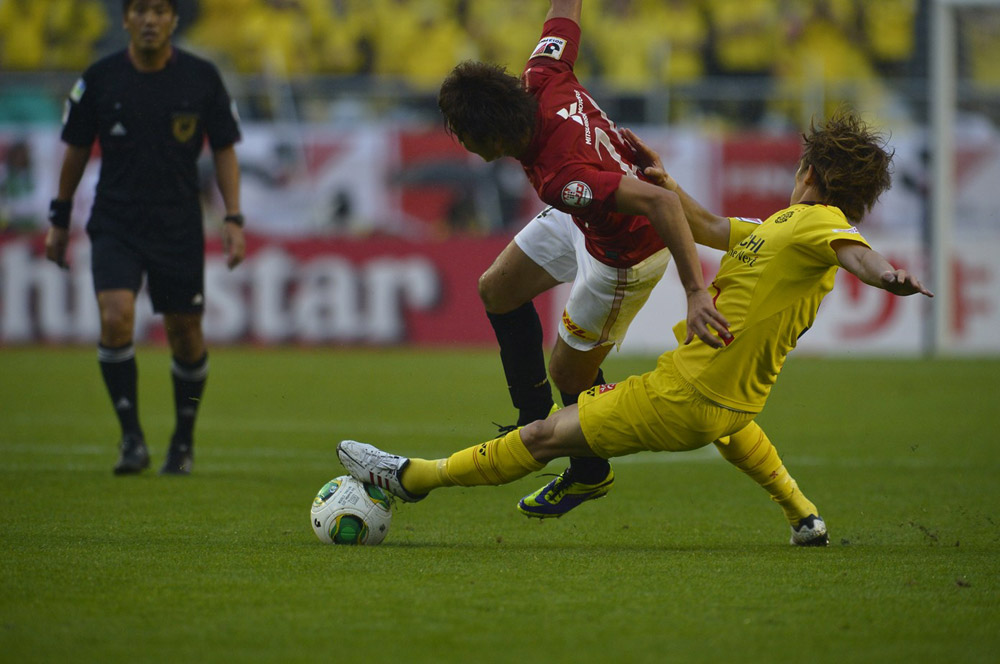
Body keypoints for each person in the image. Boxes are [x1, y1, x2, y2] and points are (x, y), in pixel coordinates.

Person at [337, 109, 934, 546]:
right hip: (728, 403)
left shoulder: (818, 223)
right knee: (731, 426)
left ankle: (410, 478)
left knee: (544, 436)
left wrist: (886, 275)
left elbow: (854, 253)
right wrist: (665, 181)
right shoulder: (784, 226)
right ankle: (804, 515)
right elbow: (705, 226)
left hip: (679, 398)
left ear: (809, 167)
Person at [437, 0, 729, 518]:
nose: (462, 143)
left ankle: (590, 471)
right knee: (496, 289)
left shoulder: (560, 176)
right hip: (584, 216)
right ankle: (533, 422)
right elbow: (565, 9)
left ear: (496, 138)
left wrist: (695, 291)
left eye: (465, 135)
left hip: (626, 253)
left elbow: (661, 202)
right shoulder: (542, 71)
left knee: (569, 377)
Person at [44, 0, 245, 476]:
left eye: (160, 10)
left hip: (177, 225)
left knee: (185, 334)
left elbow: (224, 149)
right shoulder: (99, 78)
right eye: (141, 10)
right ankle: (131, 437)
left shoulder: (202, 78)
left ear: (174, 19)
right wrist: (60, 215)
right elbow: (74, 149)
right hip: (116, 221)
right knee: (116, 318)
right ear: (126, 18)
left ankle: (182, 440)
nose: (150, 19)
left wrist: (232, 217)